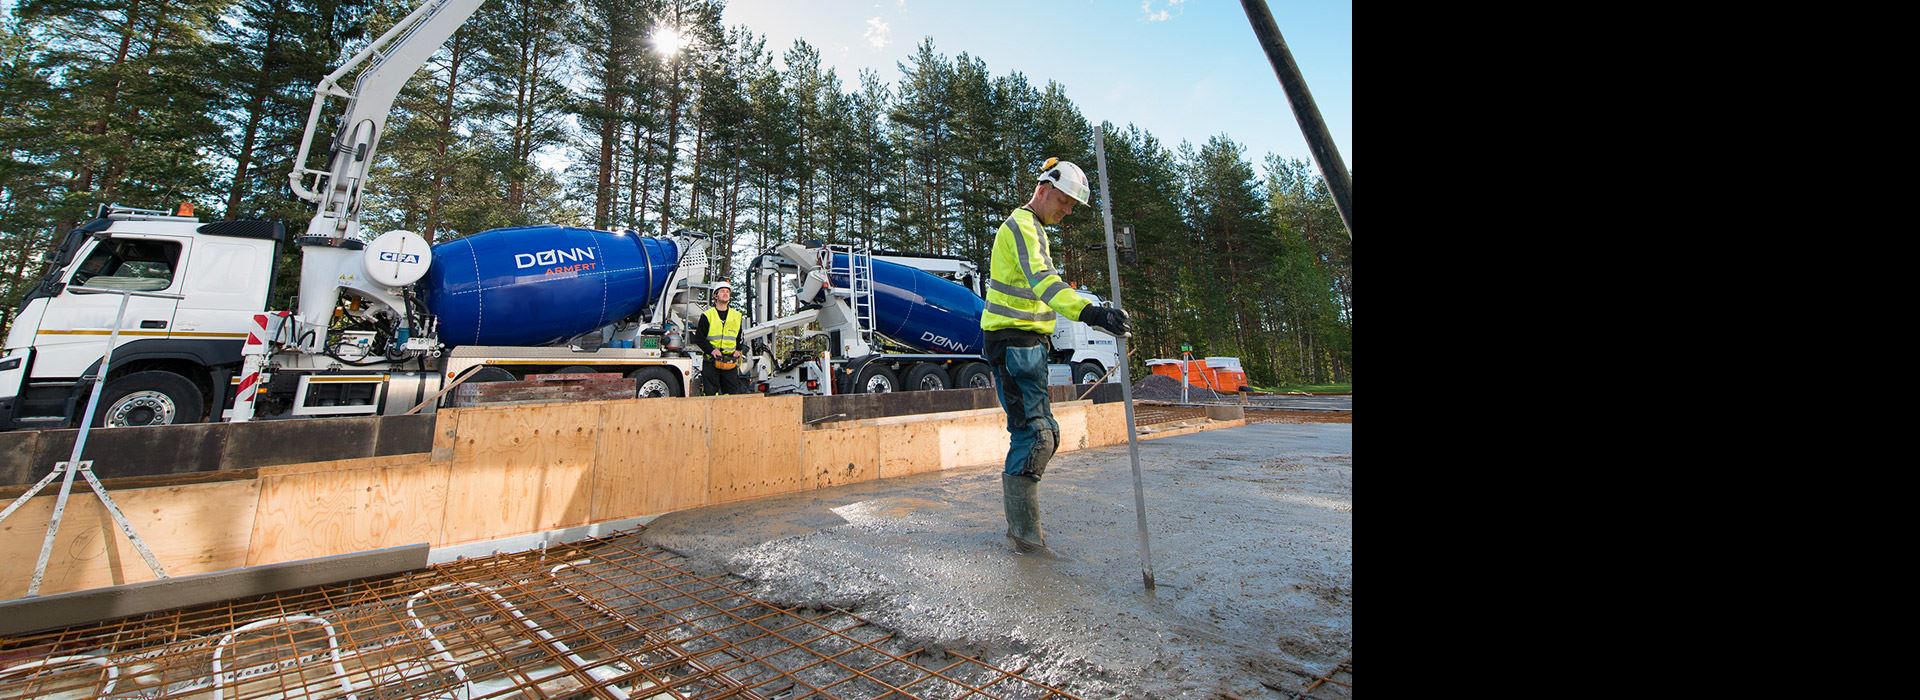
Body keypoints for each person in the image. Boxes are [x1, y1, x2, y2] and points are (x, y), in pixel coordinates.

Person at [982, 157, 1130, 556]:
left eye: (1071, 206)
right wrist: (1092, 312)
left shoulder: (1033, 230)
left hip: (1027, 344)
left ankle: (1025, 532)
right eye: (1064, 202)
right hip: (1012, 342)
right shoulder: (1022, 227)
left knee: (1044, 434)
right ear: (1044, 189)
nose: (1067, 211)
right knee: (1035, 436)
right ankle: (1025, 538)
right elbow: (1045, 283)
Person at [693, 280, 750, 395]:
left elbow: (740, 337)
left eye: (728, 292)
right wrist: (712, 350)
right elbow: (699, 338)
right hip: (711, 362)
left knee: (732, 395)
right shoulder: (707, 315)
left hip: (730, 362)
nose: (725, 293)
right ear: (716, 295)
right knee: (711, 395)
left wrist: (739, 350)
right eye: (722, 291)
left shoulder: (736, 316)